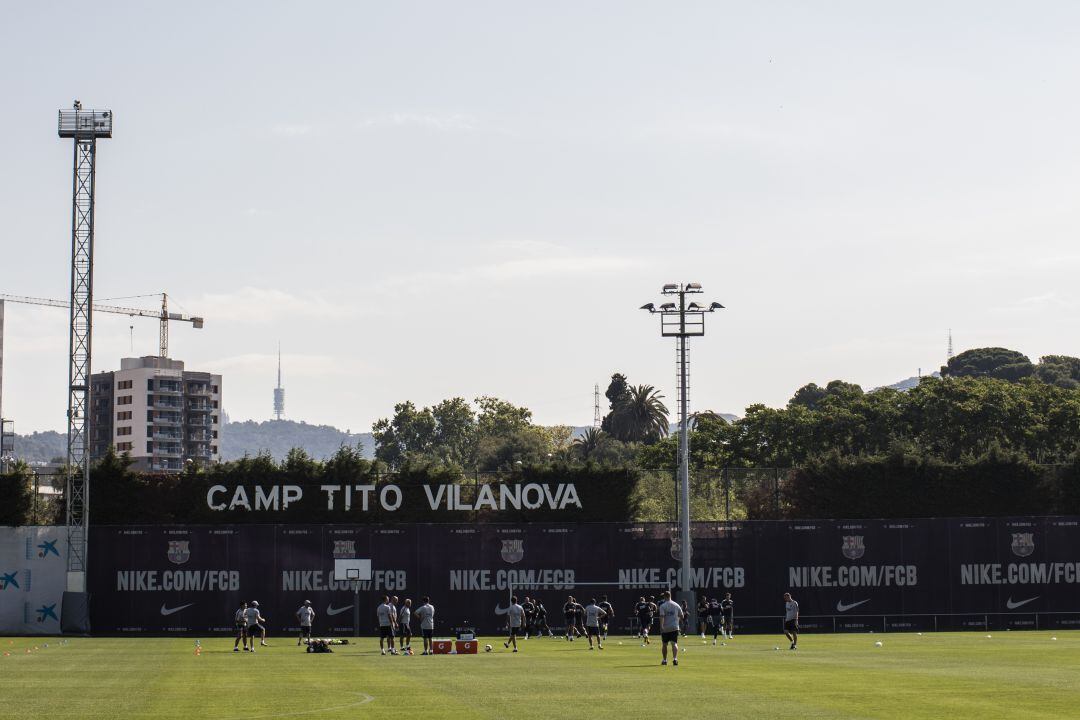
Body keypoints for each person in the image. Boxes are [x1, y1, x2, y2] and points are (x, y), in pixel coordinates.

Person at [657, 591, 684, 666]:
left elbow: (662, 616)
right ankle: (675, 659)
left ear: (665, 597)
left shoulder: (663, 606)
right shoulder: (676, 605)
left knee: (664, 644)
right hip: (674, 627)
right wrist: (678, 621)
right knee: (674, 643)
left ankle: (664, 660)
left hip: (666, 628)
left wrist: (661, 626)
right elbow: (682, 616)